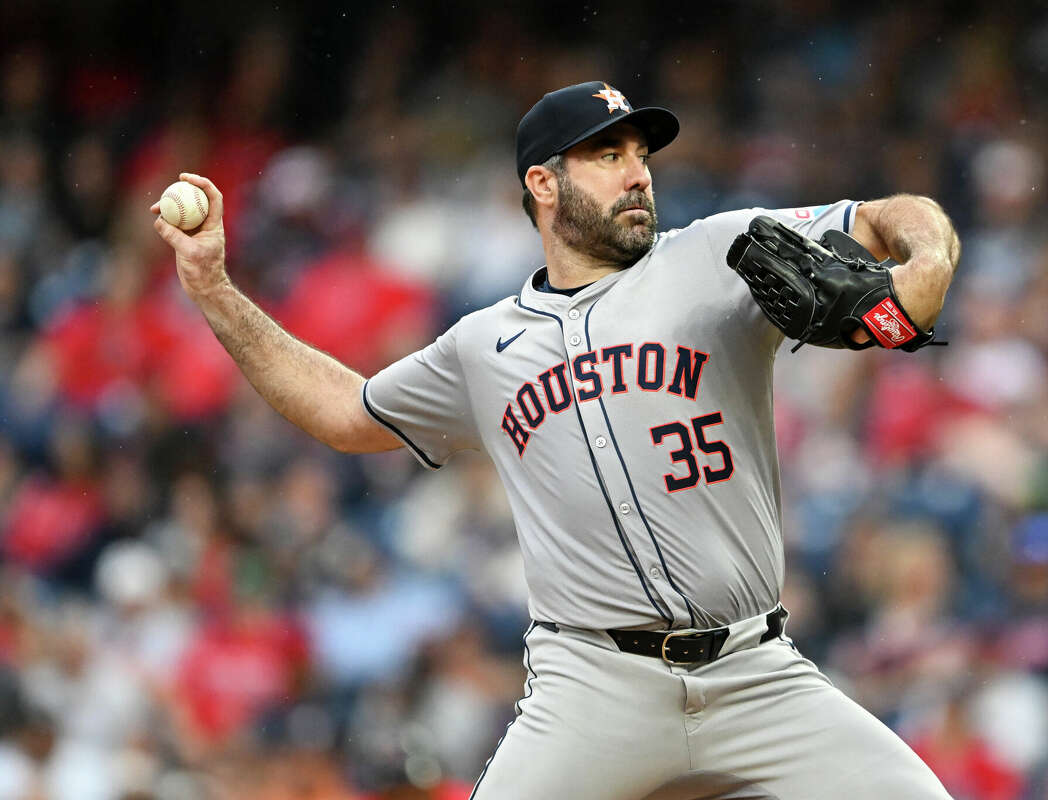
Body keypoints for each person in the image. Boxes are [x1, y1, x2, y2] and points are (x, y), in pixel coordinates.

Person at [151, 80, 959, 799]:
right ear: (543, 183)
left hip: (756, 672)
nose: (638, 171)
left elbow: (892, 221)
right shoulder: (481, 346)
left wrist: (918, 275)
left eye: (640, 153)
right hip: (594, 686)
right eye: (607, 154)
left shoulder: (721, 252)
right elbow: (343, 412)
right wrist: (215, 290)